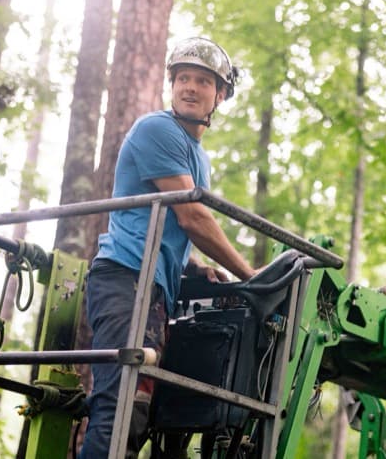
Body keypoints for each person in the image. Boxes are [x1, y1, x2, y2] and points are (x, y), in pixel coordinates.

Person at [80, 37, 258, 458]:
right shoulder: (157, 129)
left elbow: (168, 225)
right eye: (182, 79)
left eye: (201, 80)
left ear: (221, 94)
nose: (189, 87)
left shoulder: (198, 156)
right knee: (121, 406)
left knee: (140, 412)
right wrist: (252, 277)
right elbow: (193, 217)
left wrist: (192, 266)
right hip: (126, 281)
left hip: (154, 289)